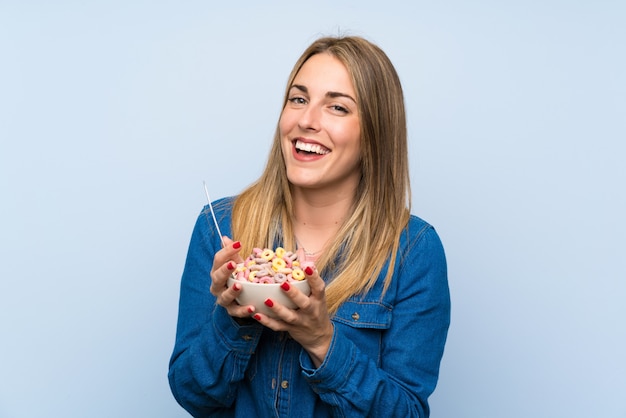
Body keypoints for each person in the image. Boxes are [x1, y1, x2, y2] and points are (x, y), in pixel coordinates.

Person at [168, 35, 451, 417]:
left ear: (374, 134)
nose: (306, 120)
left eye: (337, 107)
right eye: (298, 99)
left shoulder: (414, 251)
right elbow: (192, 394)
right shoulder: (220, 228)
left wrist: (321, 340)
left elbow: (407, 413)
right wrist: (233, 318)